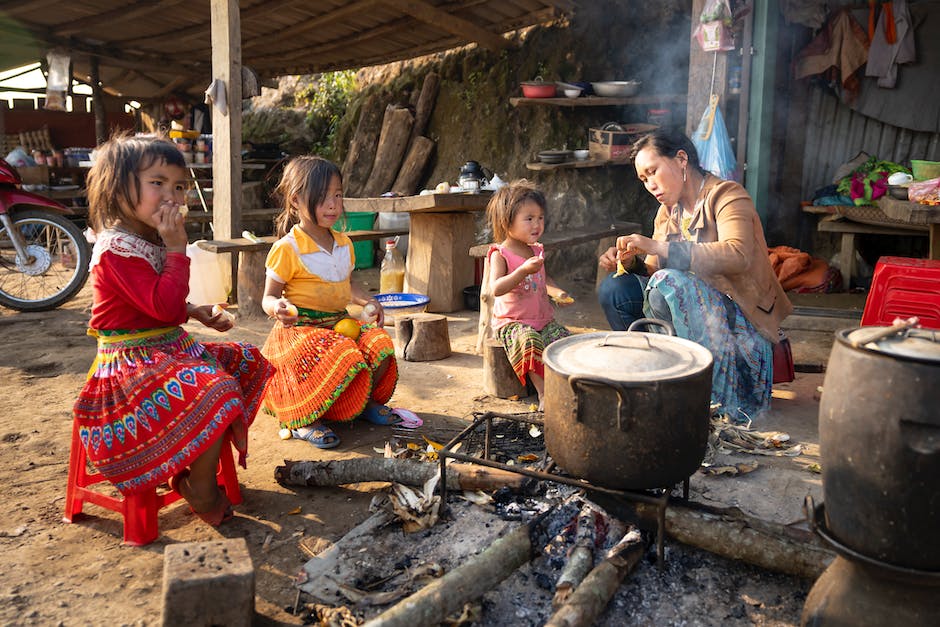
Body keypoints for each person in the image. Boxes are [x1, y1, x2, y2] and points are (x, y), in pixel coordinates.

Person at [73, 134, 274, 527]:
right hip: (128, 366)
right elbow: (160, 306)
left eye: (179, 186)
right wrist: (177, 247)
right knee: (212, 388)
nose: (172, 196)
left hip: (167, 349)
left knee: (244, 359)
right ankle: (198, 486)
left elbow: (155, 304)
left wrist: (195, 311)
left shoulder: (147, 239)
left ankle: (193, 463)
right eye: (157, 183)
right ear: (118, 187)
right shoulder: (116, 248)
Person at [597, 129, 793, 423]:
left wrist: (659, 246)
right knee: (616, 289)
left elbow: (738, 255)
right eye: (643, 179)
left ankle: (714, 396)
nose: (650, 185)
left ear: (681, 159)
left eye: (653, 172)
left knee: (671, 282)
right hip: (693, 314)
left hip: (740, 326)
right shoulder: (667, 213)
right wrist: (631, 262)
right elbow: (652, 273)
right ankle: (653, 382)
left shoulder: (728, 195)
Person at [260, 156, 402, 449]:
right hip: (300, 332)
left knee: (379, 343)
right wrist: (278, 308)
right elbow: (268, 297)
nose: (334, 205)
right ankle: (304, 420)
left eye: (338, 195)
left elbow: (348, 284)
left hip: (338, 324)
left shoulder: (343, 244)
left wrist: (369, 300)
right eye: (324, 197)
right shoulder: (288, 248)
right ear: (297, 201)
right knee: (342, 352)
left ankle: (360, 403)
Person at [486, 180, 573, 411]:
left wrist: (558, 293)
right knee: (529, 342)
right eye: (529, 218)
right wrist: (522, 270)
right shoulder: (500, 254)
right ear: (507, 221)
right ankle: (544, 393)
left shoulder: (536, 250)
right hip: (512, 322)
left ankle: (567, 386)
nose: (537, 224)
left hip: (542, 319)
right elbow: (496, 288)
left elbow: (545, 280)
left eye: (541, 217)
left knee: (564, 341)